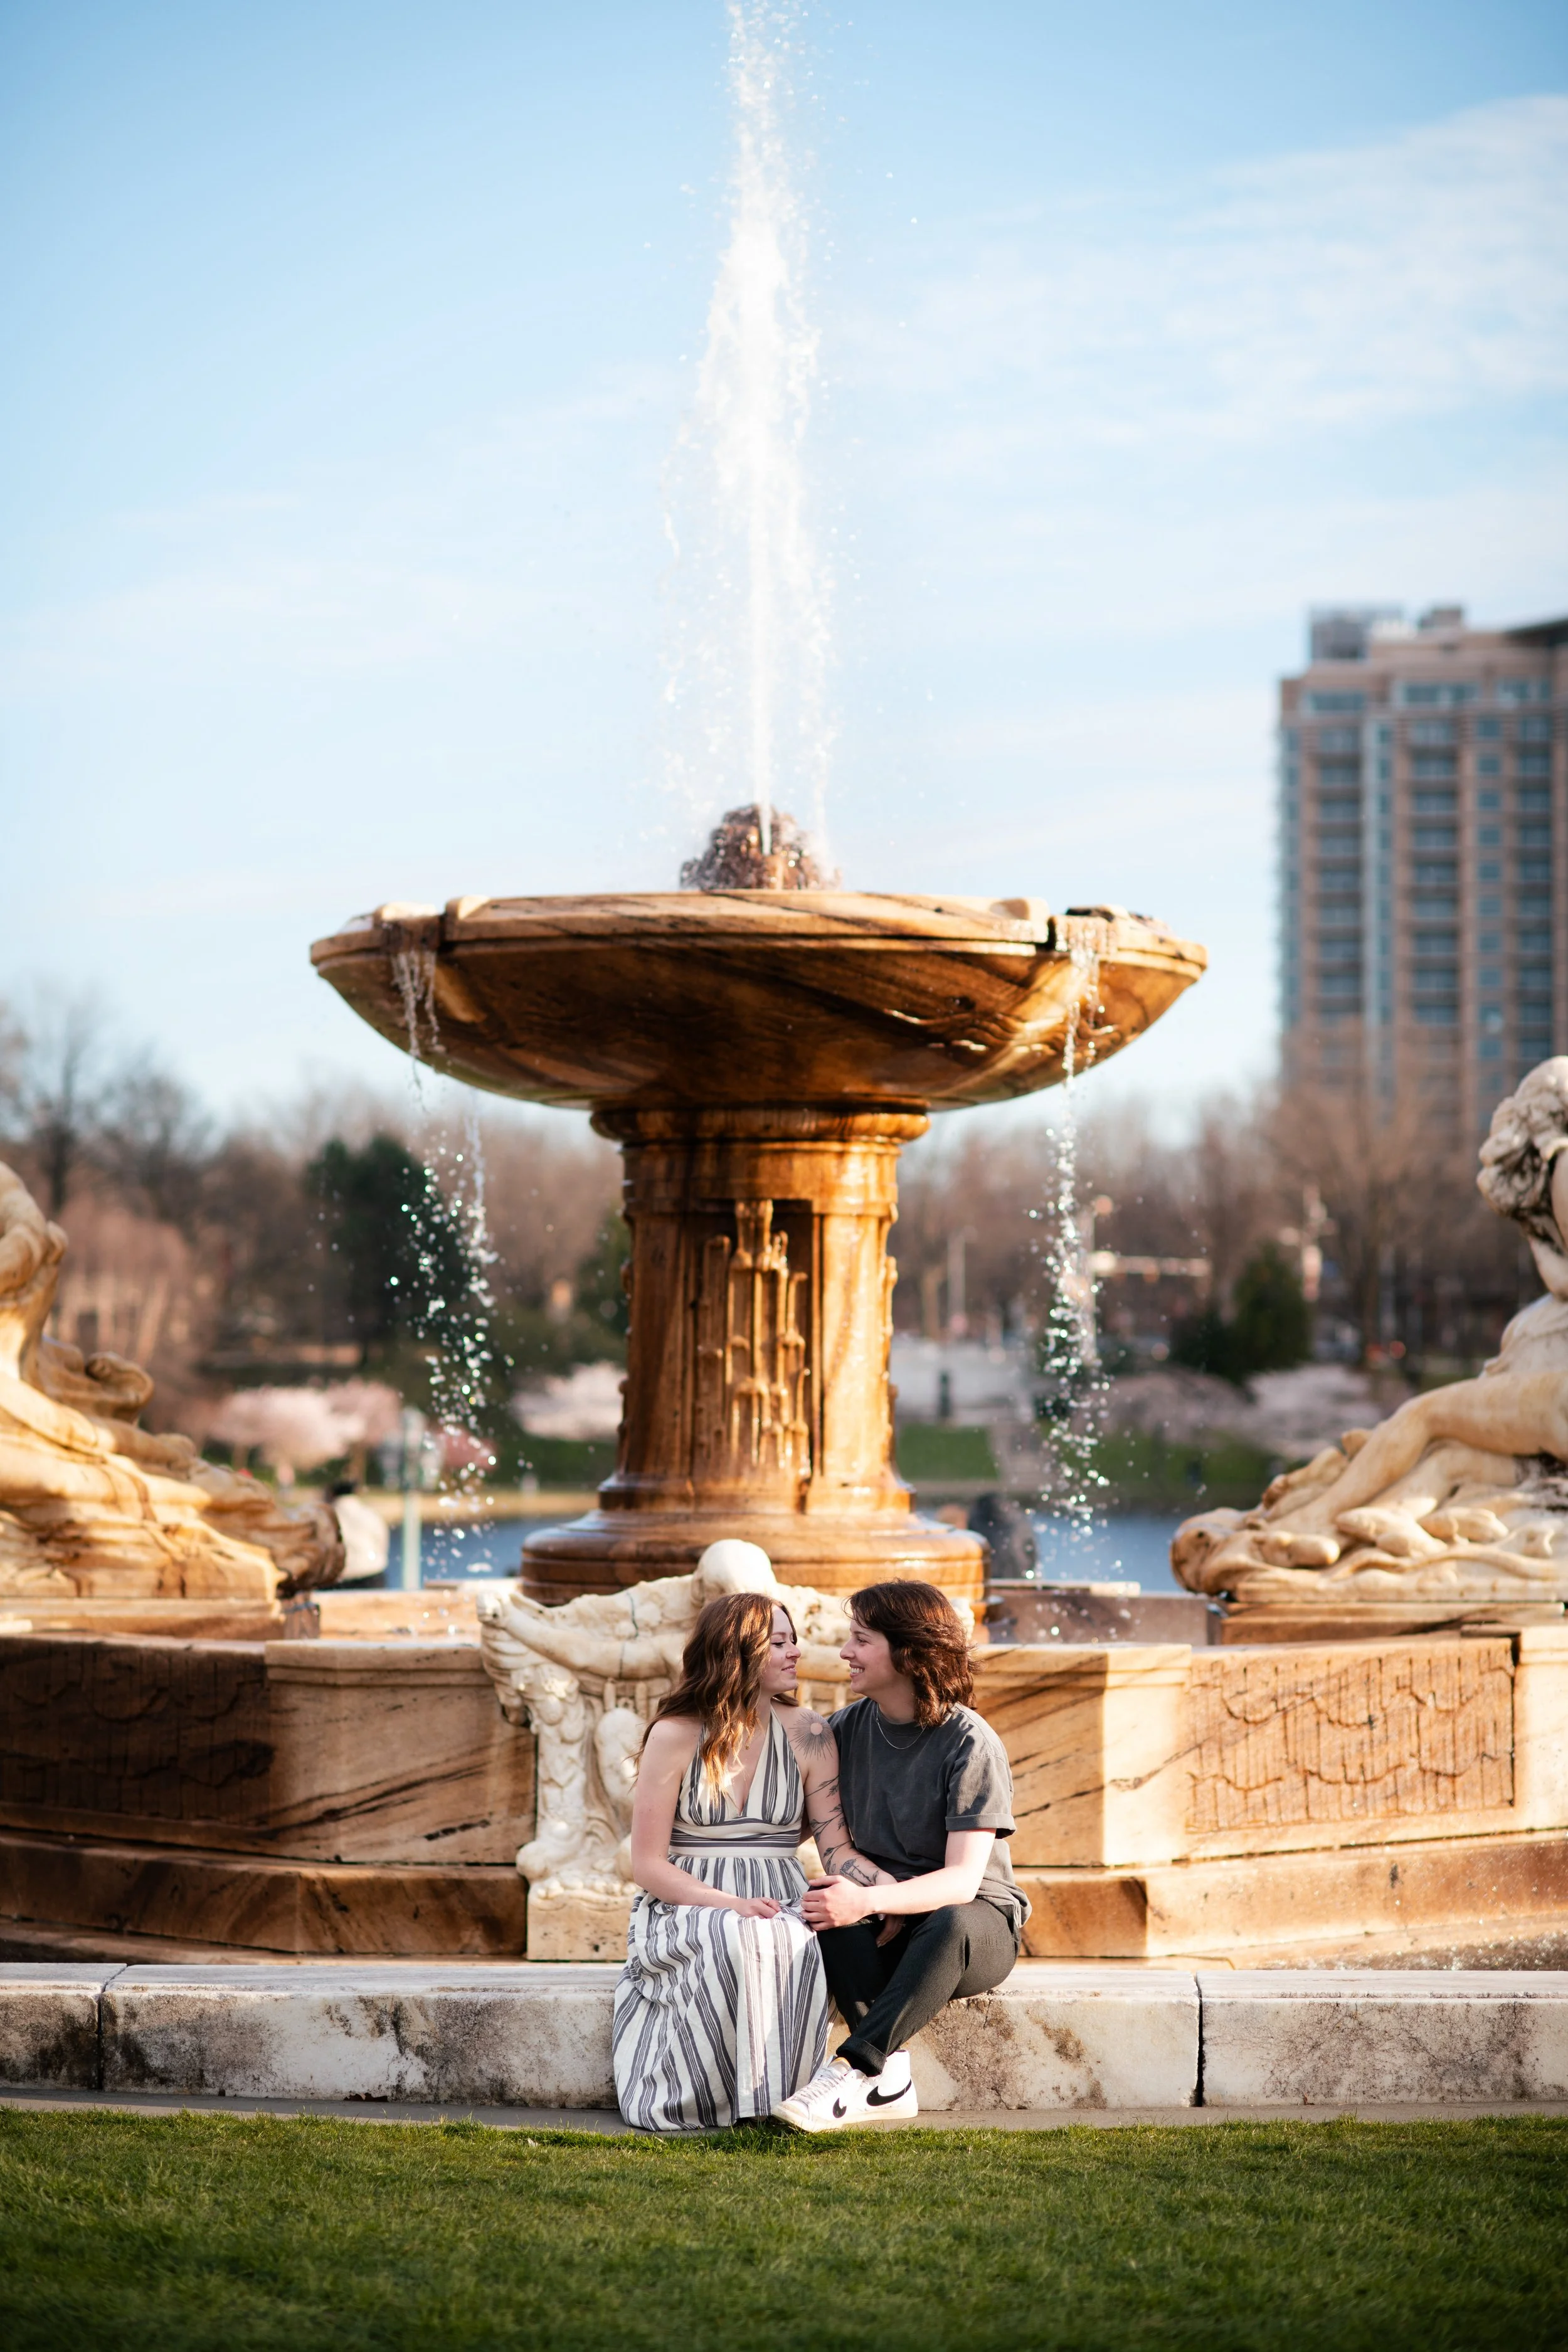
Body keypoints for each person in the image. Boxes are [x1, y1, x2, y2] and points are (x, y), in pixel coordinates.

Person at [612, 1587, 886, 2133]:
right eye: (779, 1642)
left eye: (794, 1641)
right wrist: (729, 1903)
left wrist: (895, 1891)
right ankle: (705, 2101)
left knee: (790, 1938)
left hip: (779, 1891)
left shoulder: (808, 1733)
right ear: (739, 1652)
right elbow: (647, 1864)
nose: (795, 1653)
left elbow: (836, 1849)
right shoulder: (675, 1734)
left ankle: (776, 2105)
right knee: (729, 1935)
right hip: (687, 1895)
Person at [773, 1579, 1028, 2132]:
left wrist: (873, 1897)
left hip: (971, 1932)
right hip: (884, 1920)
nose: (845, 1653)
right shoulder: (843, 1731)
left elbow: (963, 1882)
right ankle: (890, 2081)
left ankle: (854, 2068)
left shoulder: (970, 1742)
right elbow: (784, 1828)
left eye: (861, 1640)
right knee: (826, 1904)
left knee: (950, 1920)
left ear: (908, 1652)